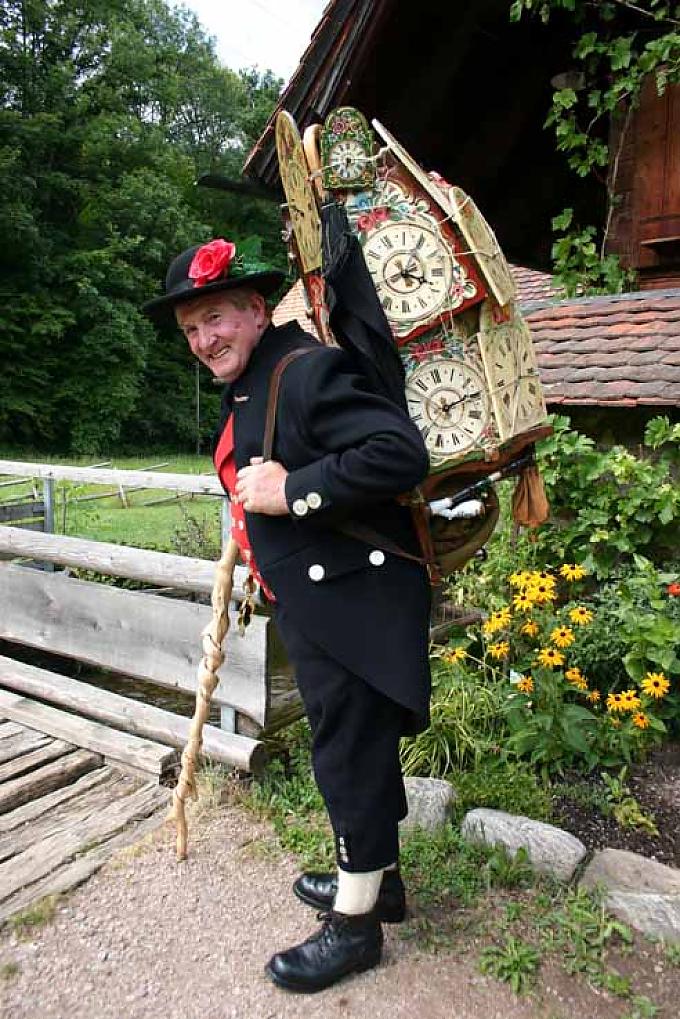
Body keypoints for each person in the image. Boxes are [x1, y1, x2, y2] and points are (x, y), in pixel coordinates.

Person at [143, 237, 432, 994]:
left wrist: (292, 491)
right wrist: (255, 538)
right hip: (319, 594)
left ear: (255, 309)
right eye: (191, 329)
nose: (204, 340)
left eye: (215, 318)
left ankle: (357, 926)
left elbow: (399, 453)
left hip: (357, 600)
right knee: (355, 745)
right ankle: (380, 884)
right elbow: (259, 469)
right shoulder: (255, 378)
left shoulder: (303, 371)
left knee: (347, 753)